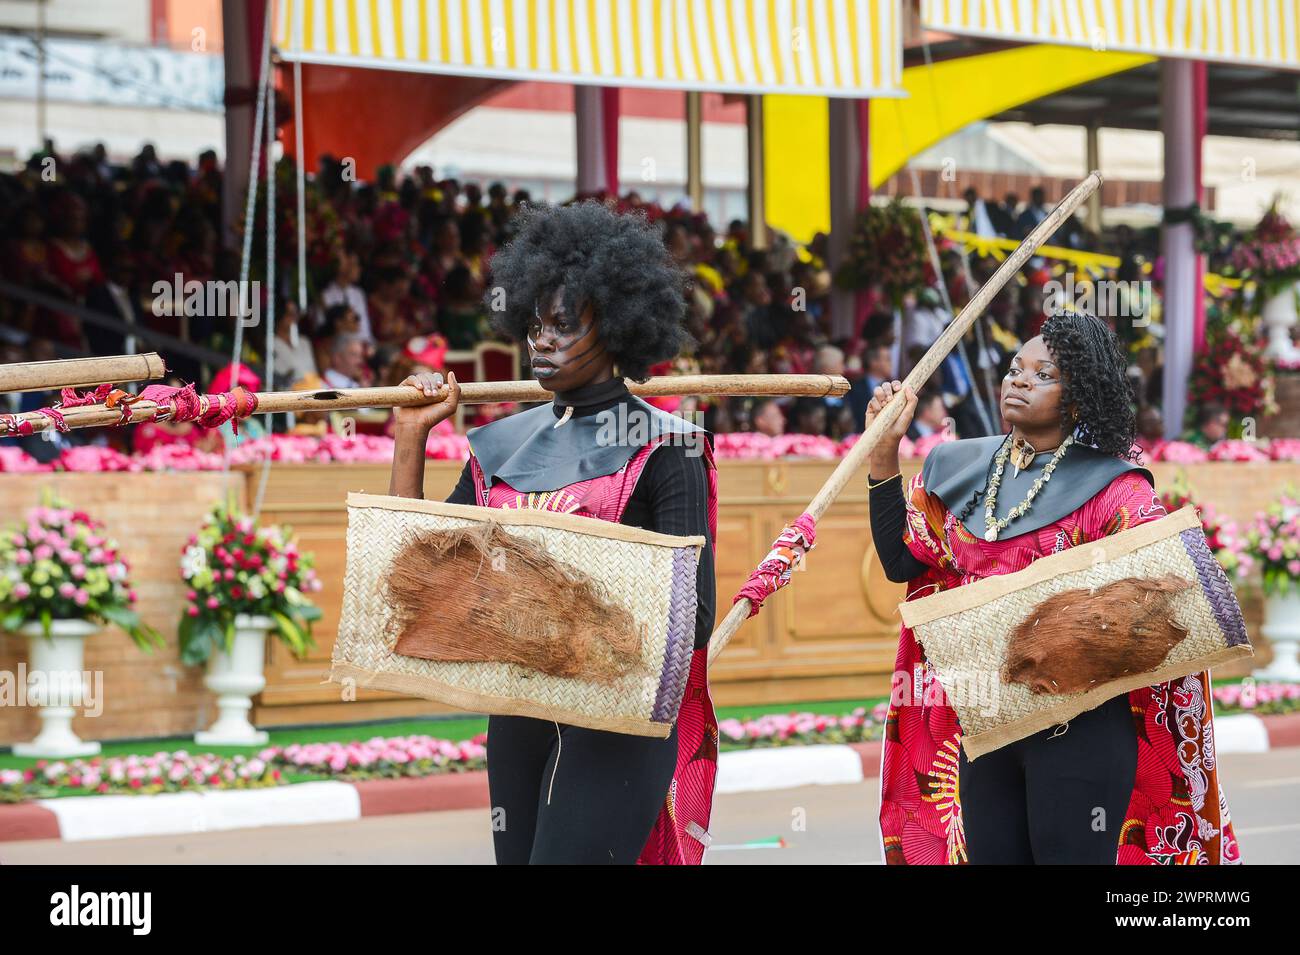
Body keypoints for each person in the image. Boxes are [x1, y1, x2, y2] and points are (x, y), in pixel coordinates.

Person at [387, 201, 720, 865]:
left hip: (616, 724)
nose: (540, 339)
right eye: (535, 323)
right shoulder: (498, 445)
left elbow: (695, 619)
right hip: (517, 722)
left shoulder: (669, 448)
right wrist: (410, 438)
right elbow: (416, 577)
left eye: (564, 325)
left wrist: (551, 591)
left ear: (620, 323)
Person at [866, 310, 1239, 865]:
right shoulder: (958, 466)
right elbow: (901, 562)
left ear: (1079, 398)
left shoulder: (1116, 490)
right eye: (1016, 368)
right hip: (986, 724)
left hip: (1081, 729)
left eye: (1043, 375)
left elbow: (1165, 592)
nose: (1018, 379)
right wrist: (882, 453)